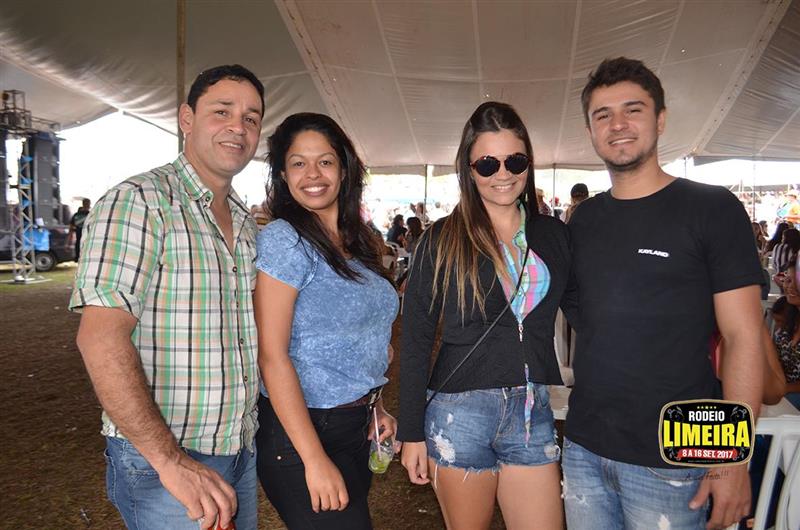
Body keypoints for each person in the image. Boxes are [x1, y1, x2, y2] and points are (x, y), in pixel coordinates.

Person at [563, 57, 765, 530]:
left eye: (633, 109)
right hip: (584, 446)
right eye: (602, 115)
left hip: (676, 456)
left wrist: (731, 460)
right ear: (590, 131)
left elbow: (743, 337)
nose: (617, 124)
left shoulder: (712, 208)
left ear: (661, 119)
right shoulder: (584, 220)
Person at [69, 65, 265, 530]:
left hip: (238, 448)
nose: (238, 127)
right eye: (222, 112)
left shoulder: (245, 221)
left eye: (251, 118)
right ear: (186, 119)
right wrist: (169, 460)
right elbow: (100, 339)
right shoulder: (139, 201)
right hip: (166, 459)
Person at [398, 101, 570, 530]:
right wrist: (411, 432)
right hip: (460, 412)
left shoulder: (553, 235)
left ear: (528, 163)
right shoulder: (441, 238)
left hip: (532, 411)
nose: (503, 174)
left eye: (515, 161)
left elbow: (589, 313)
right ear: (469, 169)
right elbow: (416, 340)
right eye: (488, 164)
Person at [254, 112, 398, 529]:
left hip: (355, 429)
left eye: (325, 161)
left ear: (344, 169)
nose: (313, 174)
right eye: (298, 163)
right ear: (283, 174)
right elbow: (272, 356)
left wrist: (376, 404)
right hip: (303, 433)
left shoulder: (358, 241)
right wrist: (313, 458)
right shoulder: (285, 241)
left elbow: (364, 336)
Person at [774, 270, 800, 409]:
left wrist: (785, 388)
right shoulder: (784, 327)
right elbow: (775, 362)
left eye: (797, 280)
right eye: (788, 280)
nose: (790, 286)